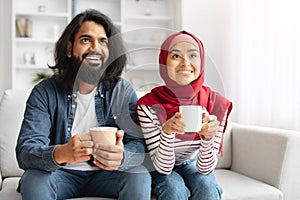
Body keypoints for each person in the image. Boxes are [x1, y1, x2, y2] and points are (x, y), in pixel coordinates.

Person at [15, 9, 151, 200]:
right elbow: (25, 150)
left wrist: (123, 156)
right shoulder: (45, 92)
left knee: (139, 175)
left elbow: (138, 144)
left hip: (108, 176)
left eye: (103, 41)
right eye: (86, 40)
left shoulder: (122, 90)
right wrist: (61, 153)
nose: (95, 48)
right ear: (70, 49)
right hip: (61, 175)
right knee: (33, 179)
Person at [136, 30, 233, 200]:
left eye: (193, 55)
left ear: (201, 62)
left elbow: (205, 169)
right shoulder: (148, 105)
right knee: (173, 189)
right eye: (175, 56)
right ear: (164, 63)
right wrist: (167, 133)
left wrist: (208, 138)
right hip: (159, 165)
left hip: (191, 163)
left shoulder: (217, 104)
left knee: (207, 186)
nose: (185, 63)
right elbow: (163, 168)